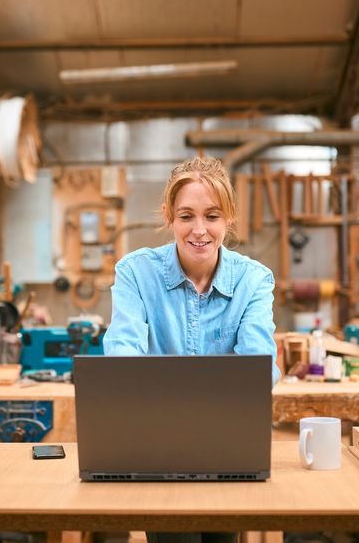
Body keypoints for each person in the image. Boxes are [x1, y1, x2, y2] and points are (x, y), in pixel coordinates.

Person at [103, 155, 280, 543]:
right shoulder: (135, 273)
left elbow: (258, 367)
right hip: (157, 445)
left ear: (229, 218)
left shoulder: (253, 280)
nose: (199, 230)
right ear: (169, 216)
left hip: (229, 442)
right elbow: (122, 357)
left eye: (212, 216)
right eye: (186, 216)